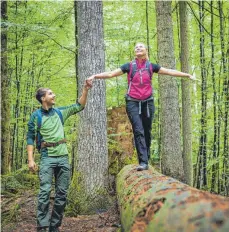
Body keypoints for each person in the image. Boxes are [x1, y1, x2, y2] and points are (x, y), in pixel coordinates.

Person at [86, 42, 196, 171]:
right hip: (132, 102)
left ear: (146, 50)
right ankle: (143, 162)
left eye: (141, 47)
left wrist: (187, 75)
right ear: (134, 52)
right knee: (138, 130)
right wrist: (94, 76)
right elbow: (110, 74)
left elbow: (169, 71)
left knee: (147, 131)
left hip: (148, 102)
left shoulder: (151, 66)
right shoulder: (129, 66)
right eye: (136, 47)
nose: (138, 48)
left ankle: (146, 157)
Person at [27, 82, 91, 232]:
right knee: (45, 191)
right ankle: (42, 226)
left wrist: (85, 90)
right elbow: (30, 137)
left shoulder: (60, 112)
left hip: (63, 158)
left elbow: (79, 106)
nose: (54, 95)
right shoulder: (36, 117)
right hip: (47, 158)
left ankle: (54, 226)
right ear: (43, 98)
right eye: (50, 93)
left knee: (62, 194)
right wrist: (31, 159)